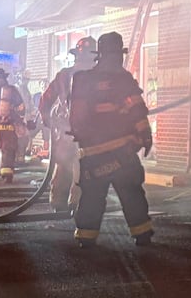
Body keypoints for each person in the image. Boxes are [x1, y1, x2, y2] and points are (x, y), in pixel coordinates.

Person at [67, 32, 154, 247]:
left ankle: (86, 238)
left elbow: (76, 118)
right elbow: (137, 110)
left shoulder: (83, 79)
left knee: (92, 196)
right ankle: (141, 235)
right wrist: (145, 135)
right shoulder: (122, 79)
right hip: (121, 152)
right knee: (131, 192)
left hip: (92, 154)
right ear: (116, 55)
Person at [39, 37, 95, 212]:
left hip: (64, 131)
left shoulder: (64, 75)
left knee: (63, 165)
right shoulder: (97, 76)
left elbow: (45, 101)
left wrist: (48, 122)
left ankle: (58, 202)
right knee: (83, 167)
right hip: (88, 132)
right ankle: (77, 202)